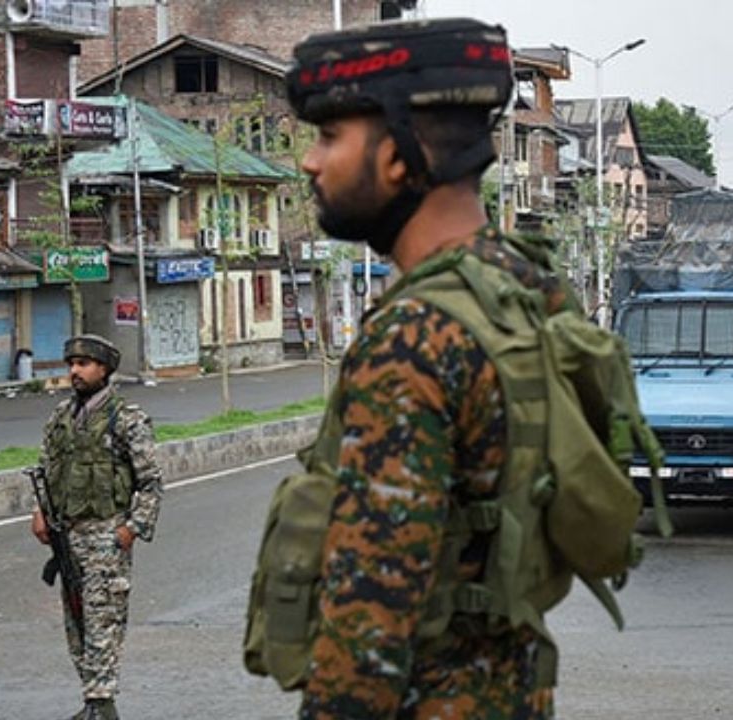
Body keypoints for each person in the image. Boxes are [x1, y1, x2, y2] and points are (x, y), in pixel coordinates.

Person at [286, 19, 577, 718]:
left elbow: (372, 614)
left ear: (397, 155)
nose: (309, 162)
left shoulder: (414, 337)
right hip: (512, 691)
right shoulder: (528, 288)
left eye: (330, 137)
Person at [31, 334, 163, 720]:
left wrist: (131, 529)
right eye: (71, 363)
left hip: (107, 533)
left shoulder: (127, 418)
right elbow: (44, 470)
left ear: (103, 369)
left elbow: (152, 482)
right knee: (77, 621)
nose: (74, 371)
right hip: (66, 535)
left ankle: (101, 704)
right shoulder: (60, 418)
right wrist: (39, 513)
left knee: (103, 618)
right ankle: (92, 699)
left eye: (83, 364)